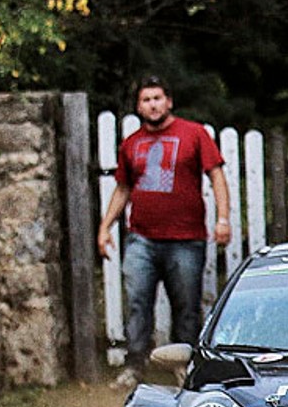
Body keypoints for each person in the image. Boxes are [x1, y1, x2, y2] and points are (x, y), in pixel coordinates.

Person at [95, 76, 231, 389]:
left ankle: (186, 368)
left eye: (158, 98)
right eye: (146, 100)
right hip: (141, 238)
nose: (152, 104)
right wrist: (105, 228)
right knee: (138, 304)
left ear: (168, 101)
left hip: (186, 239)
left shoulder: (194, 134)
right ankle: (134, 366)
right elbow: (123, 188)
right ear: (138, 106)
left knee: (186, 306)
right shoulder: (131, 144)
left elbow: (217, 177)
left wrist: (223, 219)